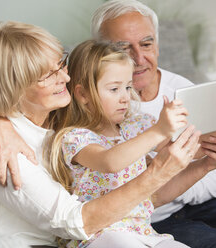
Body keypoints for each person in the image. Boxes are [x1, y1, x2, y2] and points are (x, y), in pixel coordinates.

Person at [0, 20, 203, 247]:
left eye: (60, 64)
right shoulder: (3, 151)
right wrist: (158, 172)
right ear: (15, 86)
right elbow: (73, 223)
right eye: (48, 75)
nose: (66, 78)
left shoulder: (58, 112)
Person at [90, 1, 216, 247]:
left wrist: (183, 176)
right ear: (99, 51)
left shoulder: (182, 89)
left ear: (157, 44)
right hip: (150, 221)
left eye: (146, 44)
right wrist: (177, 174)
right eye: (122, 48)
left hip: (209, 202)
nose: (138, 58)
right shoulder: (93, 106)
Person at [48, 40, 194, 248]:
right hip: (100, 234)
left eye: (127, 87)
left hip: (144, 232)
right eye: (114, 89)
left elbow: (179, 147)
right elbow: (110, 161)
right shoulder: (75, 137)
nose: (126, 97)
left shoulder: (136, 124)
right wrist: (158, 129)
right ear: (83, 94)